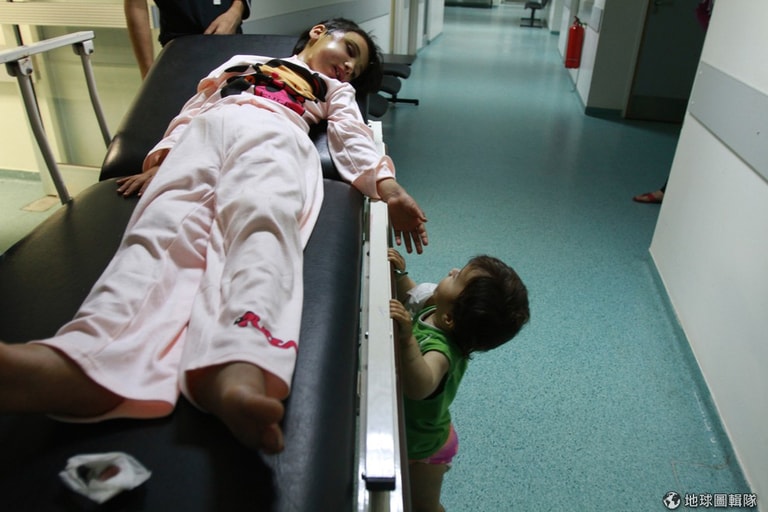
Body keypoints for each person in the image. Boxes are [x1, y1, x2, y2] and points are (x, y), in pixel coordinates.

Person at [0, 19, 428, 455]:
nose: (349, 67)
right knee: (159, 233)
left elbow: (352, 136)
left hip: (278, 135)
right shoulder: (243, 62)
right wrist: (160, 161)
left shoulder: (333, 89)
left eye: (357, 68)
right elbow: (194, 109)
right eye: (350, 50)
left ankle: (239, 362)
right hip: (205, 134)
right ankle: (86, 359)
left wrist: (388, 188)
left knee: (262, 226)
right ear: (319, 32)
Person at [388, 248, 529, 512]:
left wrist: (407, 340)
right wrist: (399, 275)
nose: (452, 271)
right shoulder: (437, 308)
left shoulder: (442, 352)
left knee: (424, 507)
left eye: (457, 278)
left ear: (450, 318)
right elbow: (413, 295)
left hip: (424, 448)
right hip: (416, 432)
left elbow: (420, 386)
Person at [125, 0, 252, 79]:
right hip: (180, 53)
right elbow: (136, 5)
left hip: (230, 45)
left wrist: (236, 11)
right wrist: (148, 73)